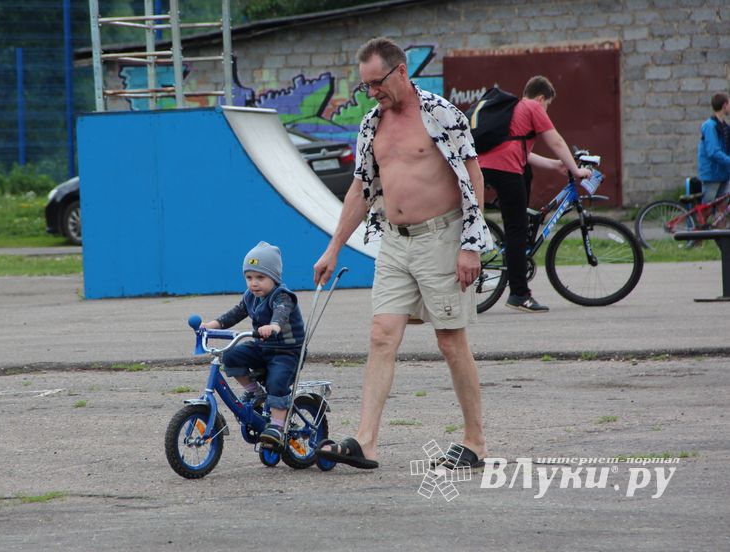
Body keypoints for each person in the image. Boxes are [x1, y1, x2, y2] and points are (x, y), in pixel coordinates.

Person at [312, 37, 490, 470]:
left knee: (450, 342)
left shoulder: (441, 114)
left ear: (401, 72)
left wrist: (471, 244)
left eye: (377, 83)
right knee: (381, 334)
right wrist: (333, 247)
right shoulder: (372, 123)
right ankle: (367, 441)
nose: (372, 93)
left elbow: (473, 175)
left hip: (443, 239)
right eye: (366, 86)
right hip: (393, 240)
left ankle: (475, 442)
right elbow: (360, 188)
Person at [478, 76, 591, 313]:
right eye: (547, 105)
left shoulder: (516, 112)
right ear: (541, 98)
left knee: (515, 224)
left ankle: (514, 272)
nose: (546, 109)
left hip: (487, 167)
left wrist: (557, 165)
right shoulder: (531, 106)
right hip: (504, 170)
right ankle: (519, 294)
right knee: (516, 229)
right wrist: (576, 169)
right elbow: (557, 141)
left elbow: (520, 151)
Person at [201, 241, 305, 450]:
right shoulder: (250, 296)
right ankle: (256, 391)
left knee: (277, 382)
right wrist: (212, 326)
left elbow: (281, 313)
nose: (253, 283)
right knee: (230, 356)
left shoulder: (282, 295)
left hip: (287, 351)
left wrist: (274, 326)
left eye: (260, 277)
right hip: (263, 347)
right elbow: (236, 313)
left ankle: (276, 427)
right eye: (249, 277)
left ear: (274, 277)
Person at [697, 92, 730, 205]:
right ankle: (696, 223)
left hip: (724, 173)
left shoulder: (725, 126)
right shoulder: (710, 126)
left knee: (722, 210)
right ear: (724, 105)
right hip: (712, 174)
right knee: (707, 208)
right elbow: (713, 152)